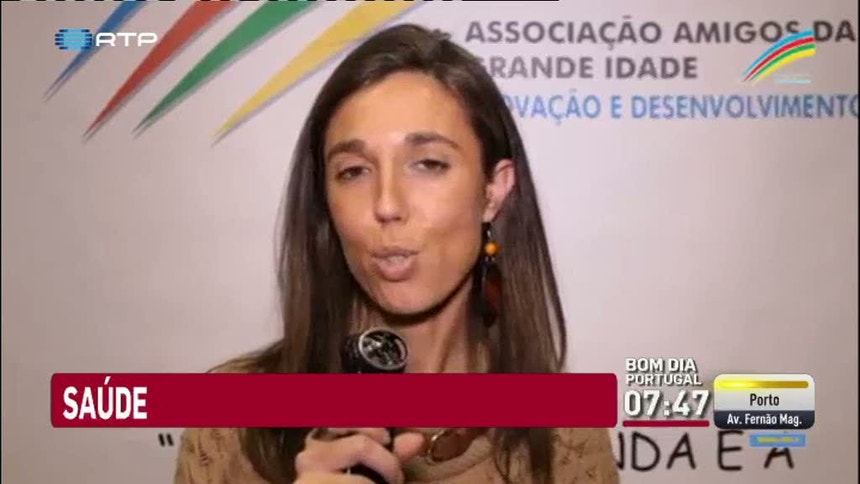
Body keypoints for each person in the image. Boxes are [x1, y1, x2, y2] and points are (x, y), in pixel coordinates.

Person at [174, 23, 619, 484]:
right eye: (354, 171)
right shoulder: (229, 422)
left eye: (428, 164)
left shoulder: (565, 433)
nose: (386, 205)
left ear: (492, 191)